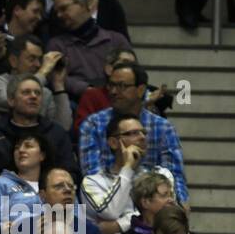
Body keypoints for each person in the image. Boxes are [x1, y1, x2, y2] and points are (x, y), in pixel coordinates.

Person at [80, 63, 189, 210]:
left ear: (141, 90)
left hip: (151, 207)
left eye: (122, 86)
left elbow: (174, 176)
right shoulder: (93, 124)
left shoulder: (163, 128)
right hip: (108, 204)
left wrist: (181, 205)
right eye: (111, 85)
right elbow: (92, 175)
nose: (113, 91)